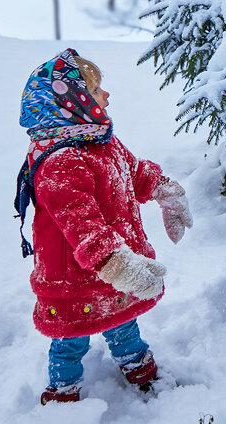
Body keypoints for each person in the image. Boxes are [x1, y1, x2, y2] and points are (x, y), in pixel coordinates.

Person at [16, 49, 193, 404]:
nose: (106, 96)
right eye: (97, 91)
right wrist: (118, 264)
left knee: (124, 323)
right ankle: (63, 394)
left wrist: (164, 189)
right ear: (72, 101)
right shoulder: (61, 160)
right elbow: (81, 223)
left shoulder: (100, 141)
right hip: (74, 277)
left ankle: (139, 368)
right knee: (70, 339)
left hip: (115, 265)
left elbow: (133, 171)